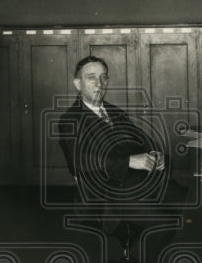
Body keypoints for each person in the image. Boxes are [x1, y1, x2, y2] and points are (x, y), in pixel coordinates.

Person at [58, 55, 170, 207]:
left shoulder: (114, 111)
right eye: (92, 78)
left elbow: (140, 137)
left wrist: (154, 152)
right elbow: (78, 161)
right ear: (78, 84)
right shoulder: (70, 119)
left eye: (104, 77)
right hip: (108, 195)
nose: (99, 84)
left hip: (137, 183)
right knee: (168, 220)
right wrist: (129, 161)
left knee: (183, 198)